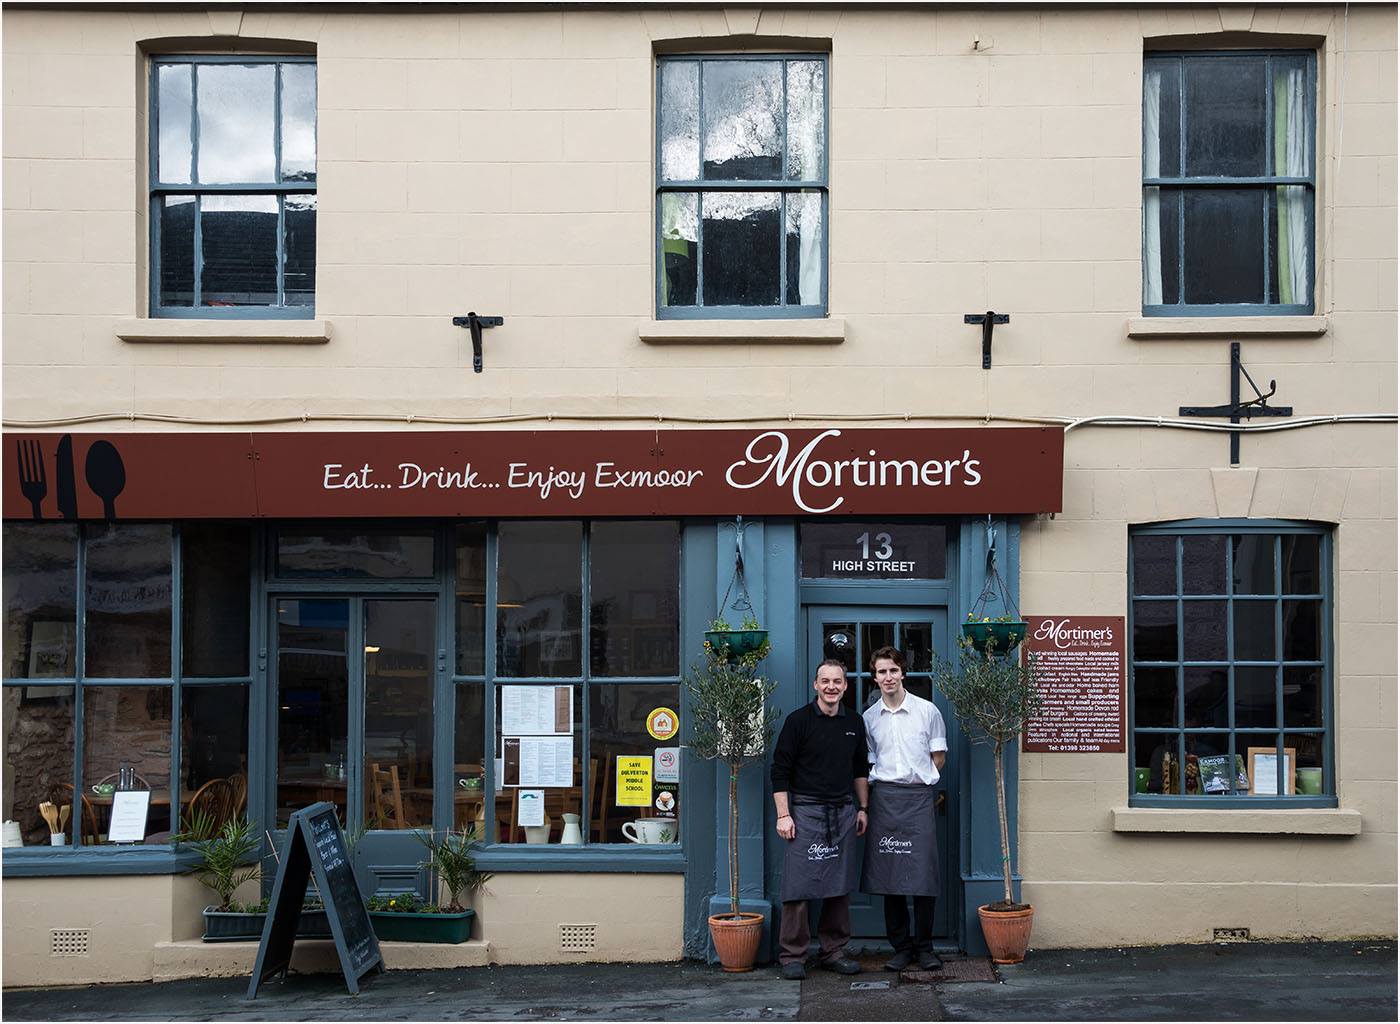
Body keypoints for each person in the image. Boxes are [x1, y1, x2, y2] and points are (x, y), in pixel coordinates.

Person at [770, 658, 869, 980]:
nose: (831, 687)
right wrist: (783, 815)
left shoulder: (854, 722)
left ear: (845, 685)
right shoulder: (798, 721)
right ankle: (793, 955)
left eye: (837, 681)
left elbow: (860, 770)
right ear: (815, 685)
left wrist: (863, 808)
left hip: (842, 812)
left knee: (838, 886)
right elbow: (780, 771)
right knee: (798, 886)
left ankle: (834, 951)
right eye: (825, 681)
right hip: (805, 812)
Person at [861, 645, 947, 972]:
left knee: (923, 876)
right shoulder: (869, 719)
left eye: (893, 670)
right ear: (875, 677)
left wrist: (921, 778)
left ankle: (925, 948)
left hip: (918, 798)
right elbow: (869, 761)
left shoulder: (928, 711)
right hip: (884, 799)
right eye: (881, 672)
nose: (888, 677)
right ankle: (900, 948)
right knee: (890, 877)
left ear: (903, 673)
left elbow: (938, 757)